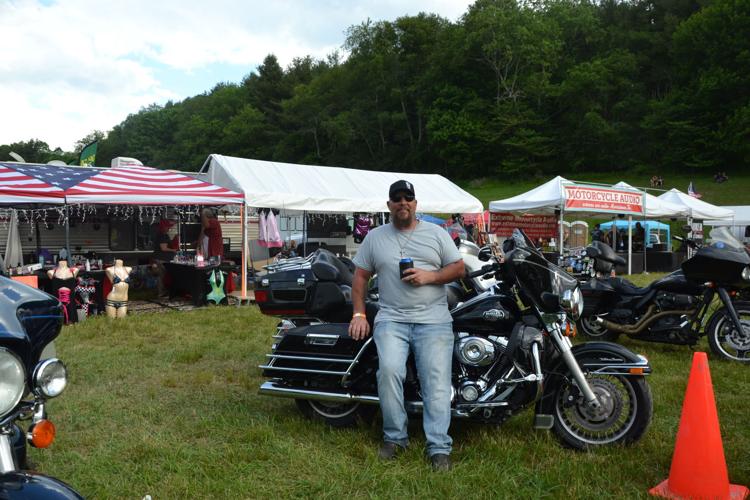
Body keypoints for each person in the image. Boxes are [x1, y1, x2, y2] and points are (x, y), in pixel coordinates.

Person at [348, 180, 465, 472]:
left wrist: (431, 277)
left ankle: (438, 448)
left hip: (434, 319)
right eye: (397, 198)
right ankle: (395, 438)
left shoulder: (437, 234)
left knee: (436, 383)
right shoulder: (375, 238)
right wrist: (359, 315)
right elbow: (360, 277)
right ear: (389, 205)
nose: (403, 203)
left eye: (408, 198)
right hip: (391, 318)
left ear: (415, 203)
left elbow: (458, 268)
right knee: (388, 372)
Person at [152, 219, 179, 298]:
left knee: (162, 276)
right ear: (164, 227)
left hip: (162, 258)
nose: (168, 228)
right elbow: (163, 248)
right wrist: (174, 250)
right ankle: (161, 292)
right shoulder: (162, 235)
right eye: (167, 227)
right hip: (161, 258)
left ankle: (162, 291)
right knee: (161, 276)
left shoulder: (162, 234)